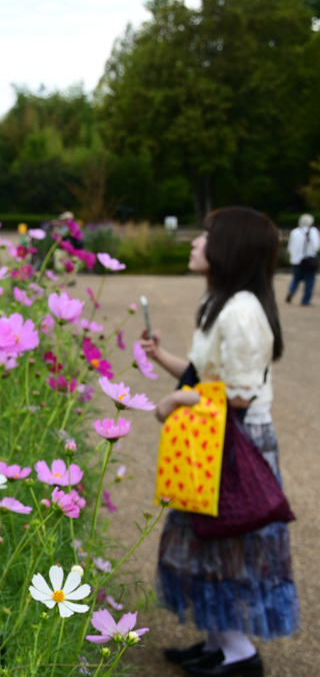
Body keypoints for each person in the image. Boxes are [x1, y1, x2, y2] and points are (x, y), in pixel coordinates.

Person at [139, 207, 297, 677]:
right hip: (214, 438)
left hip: (237, 444)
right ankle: (216, 642)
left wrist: (175, 400)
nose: (194, 243)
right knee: (206, 541)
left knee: (229, 542)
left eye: (204, 237)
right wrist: (160, 356)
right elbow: (205, 375)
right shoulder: (222, 306)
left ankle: (240, 656)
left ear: (229, 248)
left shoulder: (243, 311)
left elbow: (241, 396)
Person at [284, 213, 318, 306]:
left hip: (296, 261)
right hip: (309, 261)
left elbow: (290, 247)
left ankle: (291, 291)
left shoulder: (294, 232)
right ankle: (306, 300)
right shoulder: (313, 231)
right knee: (309, 281)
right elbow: (316, 247)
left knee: (296, 278)